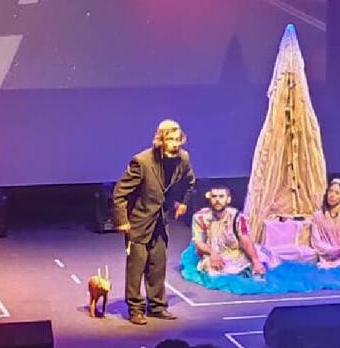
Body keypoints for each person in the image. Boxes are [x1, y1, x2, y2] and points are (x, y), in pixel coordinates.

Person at [112, 120, 195, 325]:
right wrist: (122, 221)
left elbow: (190, 183)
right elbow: (119, 193)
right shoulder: (142, 161)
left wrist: (184, 203)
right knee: (136, 268)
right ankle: (135, 309)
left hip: (160, 221)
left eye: (178, 140)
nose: (175, 144)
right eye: (171, 139)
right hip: (138, 221)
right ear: (161, 140)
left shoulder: (182, 158)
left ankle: (157, 306)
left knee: (158, 266)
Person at [191, 186, 266, 276]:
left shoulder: (237, 217)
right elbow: (198, 243)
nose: (217, 200)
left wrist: (255, 261)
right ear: (210, 199)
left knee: (254, 269)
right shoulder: (199, 217)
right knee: (210, 269)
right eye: (214, 196)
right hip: (211, 252)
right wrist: (213, 253)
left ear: (228, 199)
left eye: (221, 196)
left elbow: (245, 240)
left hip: (235, 253)